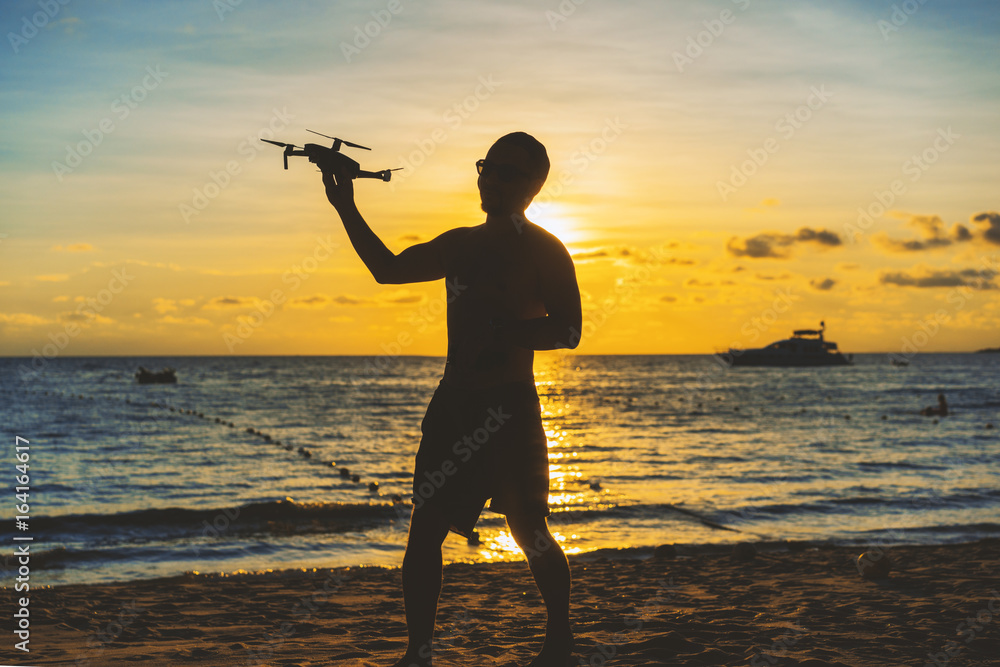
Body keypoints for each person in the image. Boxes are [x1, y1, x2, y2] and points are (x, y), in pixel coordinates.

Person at [317, 132, 582, 667]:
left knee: (530, 531)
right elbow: (388, 270)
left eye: (506, 172)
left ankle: (559, 643)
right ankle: (419, 652)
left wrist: (505, 331)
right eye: (487, 166)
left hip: (511, 408)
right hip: (454, 405)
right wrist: (345, 205)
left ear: (533, 186)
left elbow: (570, 330)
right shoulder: (461, 244)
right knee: (425, 532)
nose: (489, 178)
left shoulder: (545, 250)